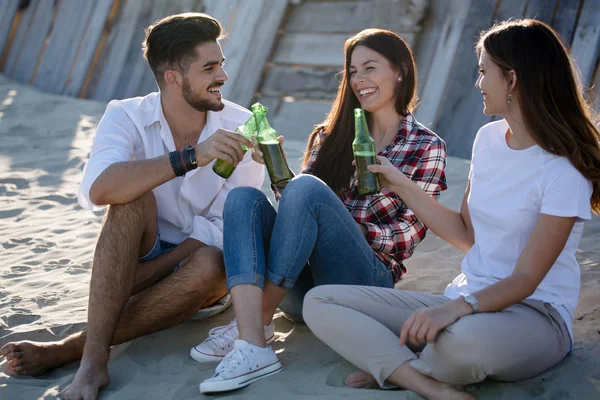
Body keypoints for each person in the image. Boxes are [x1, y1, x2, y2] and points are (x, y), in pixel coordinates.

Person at [302, 19, 600, 400]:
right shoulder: (489, 139)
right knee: (320, 300)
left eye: (483, 72)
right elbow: (466, 235)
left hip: (535, 314)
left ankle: (397, 364)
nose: (478, 83)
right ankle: (423, 381)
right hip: (464, 298)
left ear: (511, 79)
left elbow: (525, 279)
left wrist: (457, 310)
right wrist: (401, 184)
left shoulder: (563, 172)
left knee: (456, 346)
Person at [1, 12, 263, 400]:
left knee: (211, 262)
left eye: (221, 64)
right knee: (129, 196)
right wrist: (189, 157)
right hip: (138, 249)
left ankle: (70, 349)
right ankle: (93, 365)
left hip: (198, 267)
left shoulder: (241, 124)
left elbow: (230, 224)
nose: (223, 76)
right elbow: (99, 189)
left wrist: (151, 274)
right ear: (173, 76)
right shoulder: (126, 115)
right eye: (210, 67)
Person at [194, 28, 448, 394]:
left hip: (366, 282)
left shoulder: (426, 146)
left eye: (370, 68)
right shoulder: (331, 136)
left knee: (308, 188)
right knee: (244, 199)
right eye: (353, 72)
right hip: (303, 295)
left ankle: (255, 325)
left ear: (400, 71)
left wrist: (352, 228)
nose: (360, 80)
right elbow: (297, 209)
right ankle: (255, 330)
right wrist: (275, 167)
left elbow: (408, 236)